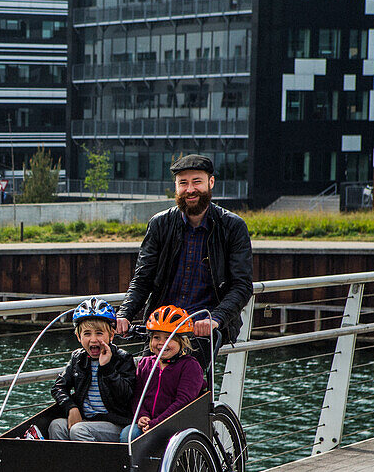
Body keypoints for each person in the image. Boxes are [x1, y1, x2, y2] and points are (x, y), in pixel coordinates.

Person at [115, 154, 253, 366]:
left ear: (211, 182)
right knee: (145, 384)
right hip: (161, 325)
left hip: (203, 328)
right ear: (176, 187)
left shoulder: (232, 227)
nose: (190, 189)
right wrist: (124, 314)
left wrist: (215, 319)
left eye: (197, 182)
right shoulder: (160, 224)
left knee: (188, 390)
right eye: (183, 183)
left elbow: (241, 285)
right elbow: (142, 278)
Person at [49, 297, 137, 442]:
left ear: (111, 335)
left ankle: (92, 464)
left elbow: (126, 395)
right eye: (87, 334)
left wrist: (107, 367)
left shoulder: (123, 359)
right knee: (56, 425)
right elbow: (58, 387)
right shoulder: (78, 358)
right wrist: (71, 407)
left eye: (99, 333)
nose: (93, 339)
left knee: (79, 430)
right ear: (78, 337)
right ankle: (64, 464)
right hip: (85, 419)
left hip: (115, 423)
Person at [120, 305, 207, 443]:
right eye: (156, 337)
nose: (161, 343)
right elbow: (138, 395)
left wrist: (156, 423)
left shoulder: (190, 366)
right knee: (128, 434)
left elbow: (183, 402)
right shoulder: (146, 363)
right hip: (150, 423)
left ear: (182, 341)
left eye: (168, 338)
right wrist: (142, 416)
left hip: (175, 425)